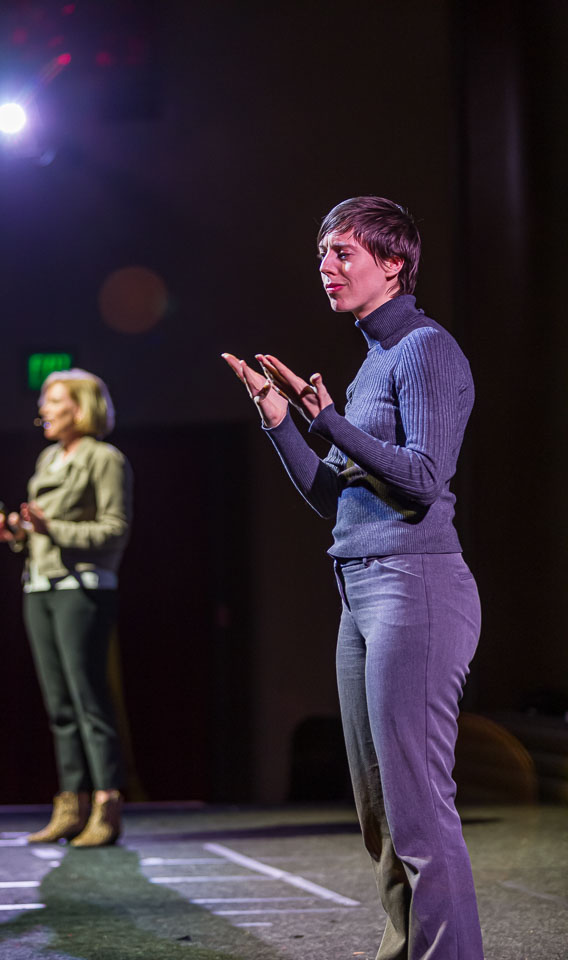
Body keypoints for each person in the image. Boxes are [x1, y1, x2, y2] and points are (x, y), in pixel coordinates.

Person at [222, 196, 483, 960]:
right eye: (321, 255)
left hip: (415, 587)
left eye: (343, 253)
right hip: (360, 589)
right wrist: (281, 419)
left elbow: (424, 478)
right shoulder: (373, 364)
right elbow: (336, 500)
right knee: (381, 819)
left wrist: (329, 421)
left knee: (419, 815)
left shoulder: (425, 350)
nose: (326, 267)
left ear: (394, 263)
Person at [0, 368, 132, 848]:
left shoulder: (104, 459)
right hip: (40, 585)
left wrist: (53, 529)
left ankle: (107, 804)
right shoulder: (48, 458)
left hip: (82, 588)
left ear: (80, 407)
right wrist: (16, 533)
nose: (43, 409)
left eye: (53, 400)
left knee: (88, 699)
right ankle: (72, 804)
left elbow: (114, 529)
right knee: (60, 704)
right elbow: (38, 528)